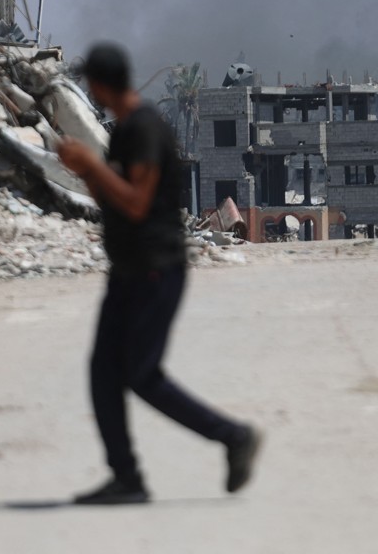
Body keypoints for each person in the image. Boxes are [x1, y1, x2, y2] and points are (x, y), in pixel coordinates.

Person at [57, 42, 262, 506]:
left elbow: (137, 202)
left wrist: (90, 164)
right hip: (128, 268)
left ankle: (232, 437)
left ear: (103, 84)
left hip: (154, 269)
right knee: (104, 373)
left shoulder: (145, 129)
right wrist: (86, 171)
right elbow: (115, 197)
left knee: (142, 374)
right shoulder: (128, 130)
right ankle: (125, 477)